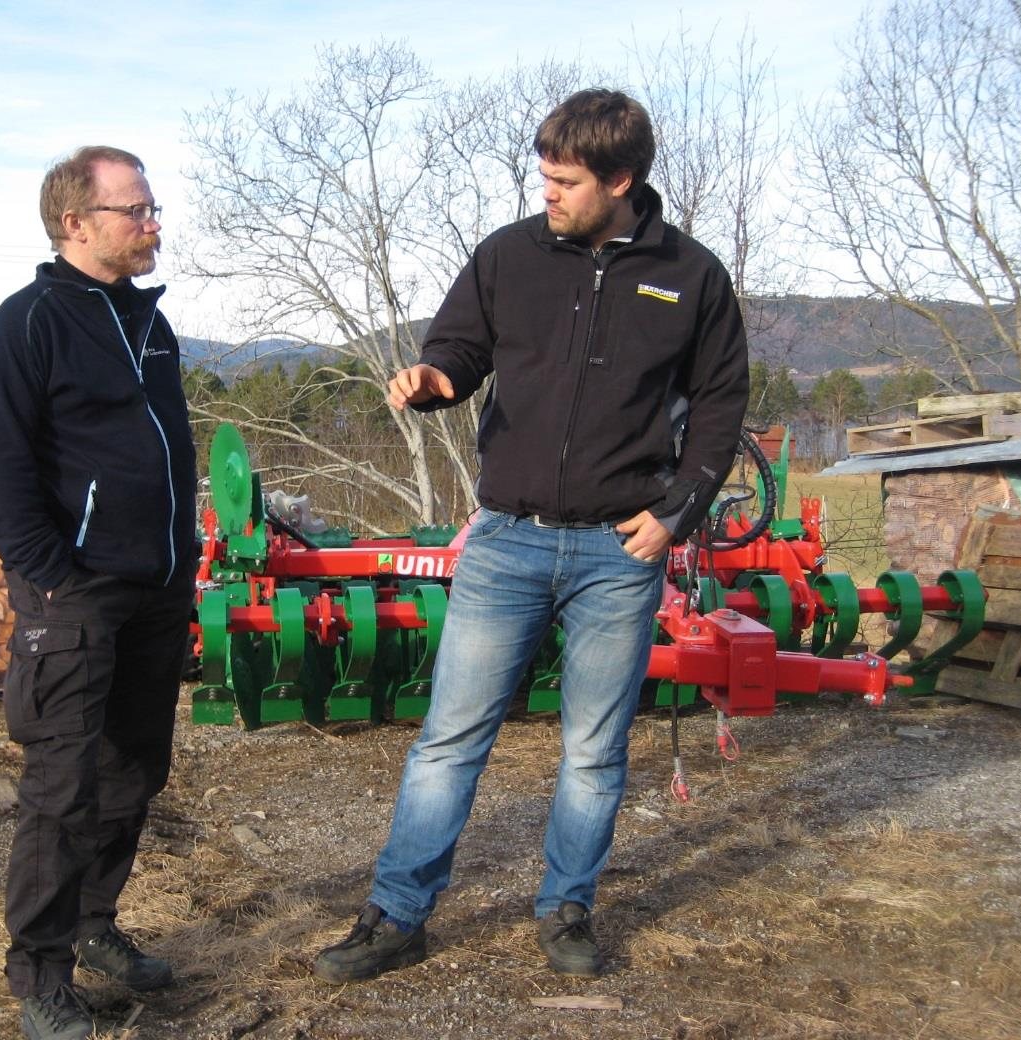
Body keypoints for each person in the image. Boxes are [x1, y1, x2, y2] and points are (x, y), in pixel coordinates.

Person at [312, 90, 749, 983]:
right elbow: (460, 350)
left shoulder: (692, 277)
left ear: (620, 180)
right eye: (542, 176)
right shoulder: (509, 255)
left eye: (564, 180)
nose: (544, 192)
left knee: (594, 747)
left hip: (616, 556)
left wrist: (675, 515)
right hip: (506, 540)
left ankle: (566, 907)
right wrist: (433, 376)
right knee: (449, 737)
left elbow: (719, 410)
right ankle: (396, 914)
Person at [0, 145, 197, 1040]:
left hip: (157, 587)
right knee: (62, 787)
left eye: (150, 209)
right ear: (76, 222)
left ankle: (96, 926)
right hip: (75, 596)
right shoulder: (27, 324)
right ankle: (40, 975)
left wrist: (180, 563)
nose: (152, 223)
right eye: (134, 210)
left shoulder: (150, 323)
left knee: (135, 771)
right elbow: (0, 468)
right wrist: (52, 576)